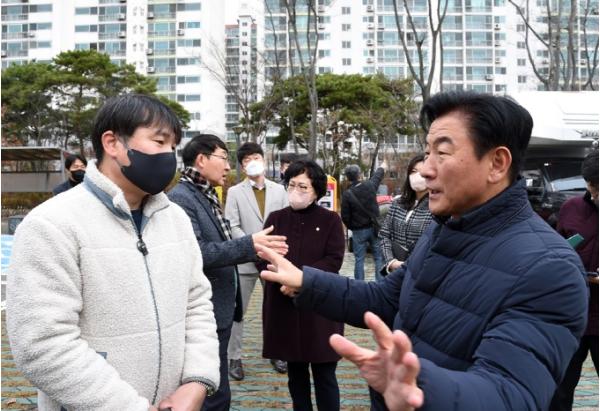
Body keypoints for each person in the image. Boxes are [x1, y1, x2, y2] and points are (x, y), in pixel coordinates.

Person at [256, 91, 588, 411]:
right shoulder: (444, 229)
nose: (426, 169)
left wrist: (420, 388)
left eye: (442, 153)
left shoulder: (549, 269)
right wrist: (306, 282)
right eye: (427, 152)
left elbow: (510, 394)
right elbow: (386, 299)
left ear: (497, 163)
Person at [7, 94, 220, 410]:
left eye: (173, 147)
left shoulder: (175, 219)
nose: (169, 157)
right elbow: (43, 344)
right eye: (159, 142)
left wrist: (197, 381)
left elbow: (197, 303)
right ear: (112, 143)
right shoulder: (51, 223)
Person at [167, 134, 288, 411]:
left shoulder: (203, 193)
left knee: (218, 388)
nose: (227, 167)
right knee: (213, 391)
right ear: (201, 159)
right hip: (207, 308)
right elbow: (198, 252)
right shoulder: (182, 199)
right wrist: (250, 244)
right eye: (223, 158)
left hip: (221, 302)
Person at [261, 159, 345, 410]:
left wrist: (300, 281)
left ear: (316, 191)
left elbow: (334, 260)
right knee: (296, 375)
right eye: (292, 185)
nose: (295, 191)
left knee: (325, 374)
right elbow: (262, 255)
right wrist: (280, 277)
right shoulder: (276, 218)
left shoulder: (331, 220)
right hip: (284, 305)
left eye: (303, 187)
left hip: (320, 306)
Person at [225, 142, 289, 380]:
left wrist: (272, 248)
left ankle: (277, 352)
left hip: (273, 259)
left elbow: (286, 221)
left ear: (263, 160)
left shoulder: (279, 190)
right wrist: (252, 245)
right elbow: (232, 224)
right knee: (238, 312)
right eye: (247, 160)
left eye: (256, 157)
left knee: (275, 309)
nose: (252, 162)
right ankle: (234, 357)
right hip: (245, 260)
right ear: (242, 166)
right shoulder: (235, 192)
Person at [550, 149, 599, 411]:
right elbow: (556, 253)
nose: (596, 194)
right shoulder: (571, 208)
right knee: (559, 392)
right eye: (593, 187)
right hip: (572, 316)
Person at [379, 154, 433, 276]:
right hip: (393, 272)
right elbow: (384, 235)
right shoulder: (398, 203)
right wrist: (391, 262)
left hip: (420, 273)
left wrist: (409, 264)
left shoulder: (436, 208)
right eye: (413, 171)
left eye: (422, 171)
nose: (417, 175)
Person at [341, 163, 385, 280]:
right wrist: (382, 167)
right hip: (374, 228)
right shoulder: (370, 185)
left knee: (359, 259)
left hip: (359, 231)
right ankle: (380, 284)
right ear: (359, 175)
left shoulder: (347, 194)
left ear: (348, 178)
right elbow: (377, 176)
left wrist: (353, 227)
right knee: (378, 258)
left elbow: (345, 216)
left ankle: (359, 285)